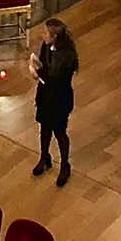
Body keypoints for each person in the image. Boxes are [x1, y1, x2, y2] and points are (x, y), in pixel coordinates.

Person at [30, 17, 78, 186]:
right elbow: (46, 67)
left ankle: (65, 165)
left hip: (59, 99)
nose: (42, 35)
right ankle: (44, 157)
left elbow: (54, 78)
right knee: (44, 129)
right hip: (45, 95)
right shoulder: (46, 46)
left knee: (59, 132)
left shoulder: (67, 56)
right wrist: (38, 64)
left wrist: (36, 73)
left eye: (45, 33)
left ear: (55, 37)